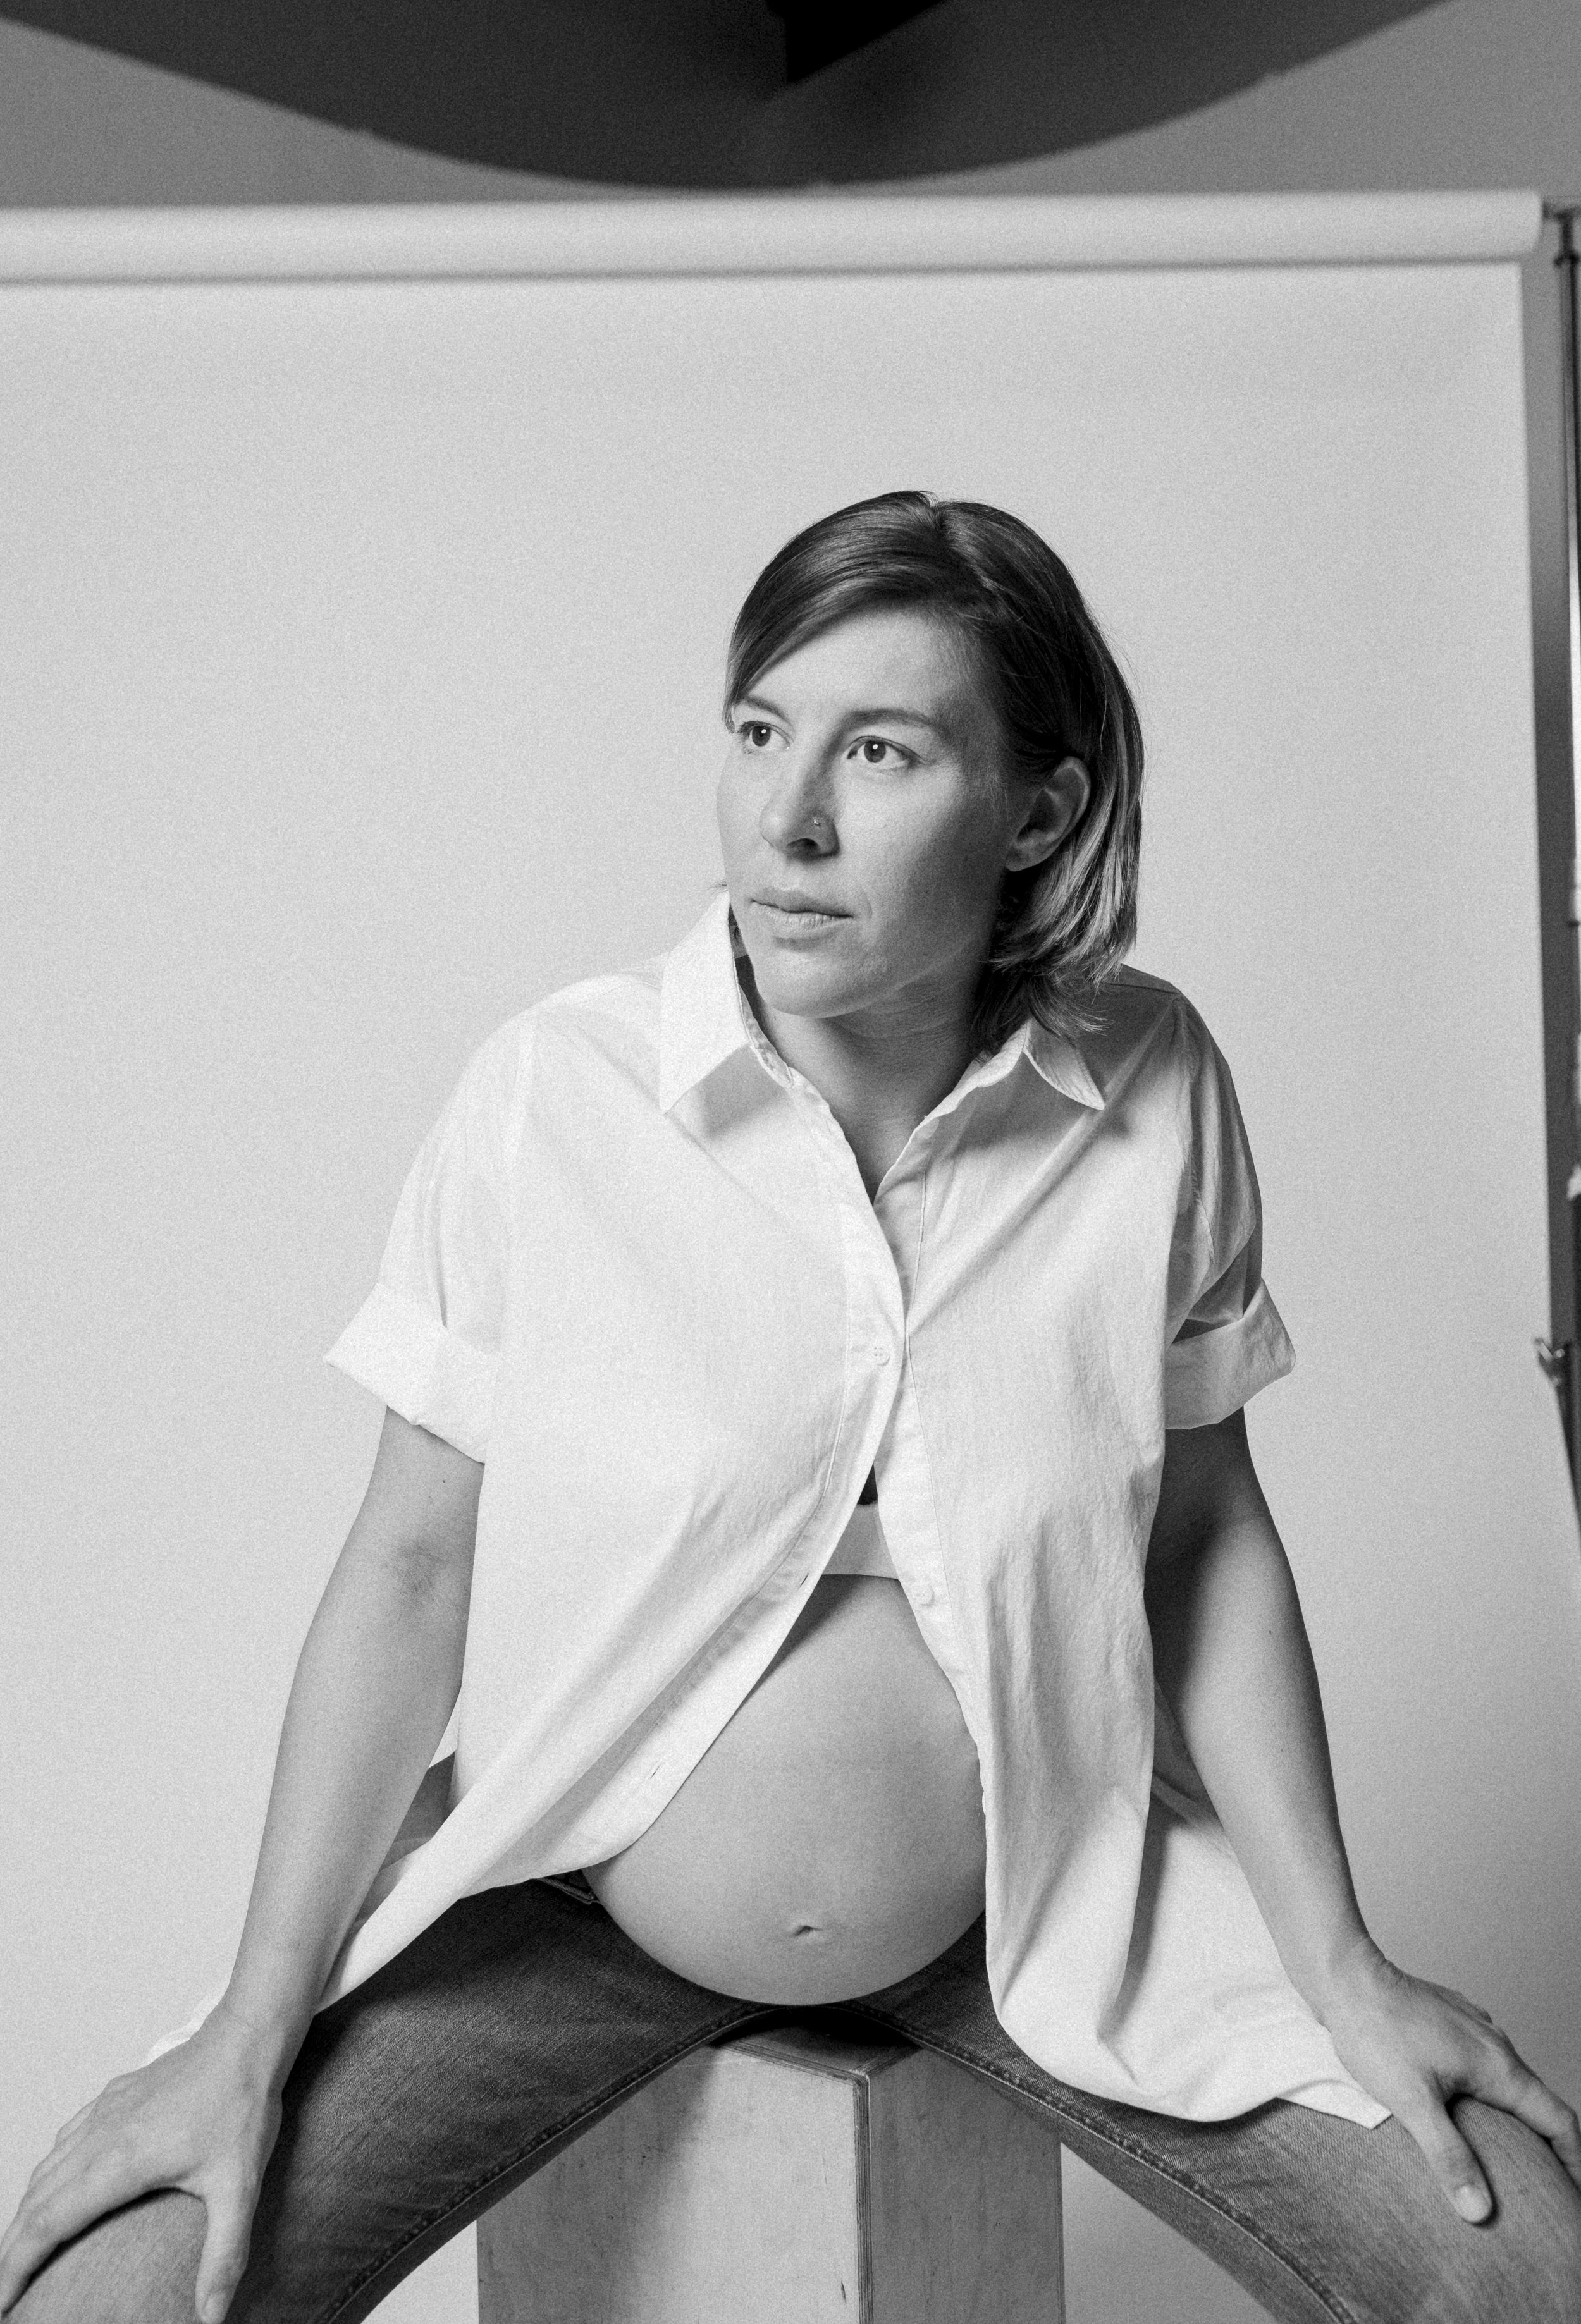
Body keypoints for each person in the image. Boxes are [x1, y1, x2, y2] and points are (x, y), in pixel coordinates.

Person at [4, 491, 1578, 2324]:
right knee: (104, 2304)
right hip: (571, 1914)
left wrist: (1338, 1957)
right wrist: (253, 2024)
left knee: (1524, 2262)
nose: (788, 815)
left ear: (1038, 812)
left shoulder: (1152, 1083)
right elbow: (413, 1568)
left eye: (881, 750)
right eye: (759, 731)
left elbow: (1206, 1533)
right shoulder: (555, 1094)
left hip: (1042, 1901)